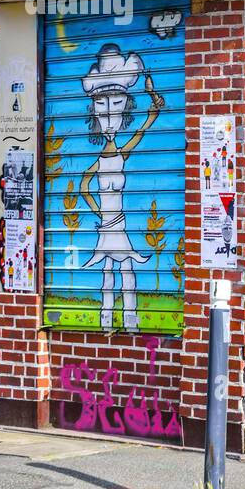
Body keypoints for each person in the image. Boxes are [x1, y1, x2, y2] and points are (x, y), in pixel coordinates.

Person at [78, 44, 164, 332]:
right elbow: (84, 187)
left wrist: (154, 108)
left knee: (124, 271)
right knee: (109, 274)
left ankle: (130, 322)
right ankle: (106, 323)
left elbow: (142, 130)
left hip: (118, 225)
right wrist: (99, 214)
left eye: (116, 104)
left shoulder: (120, 154)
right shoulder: (100, 161)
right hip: (109, 225)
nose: (109, 117)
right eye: (101, 105)